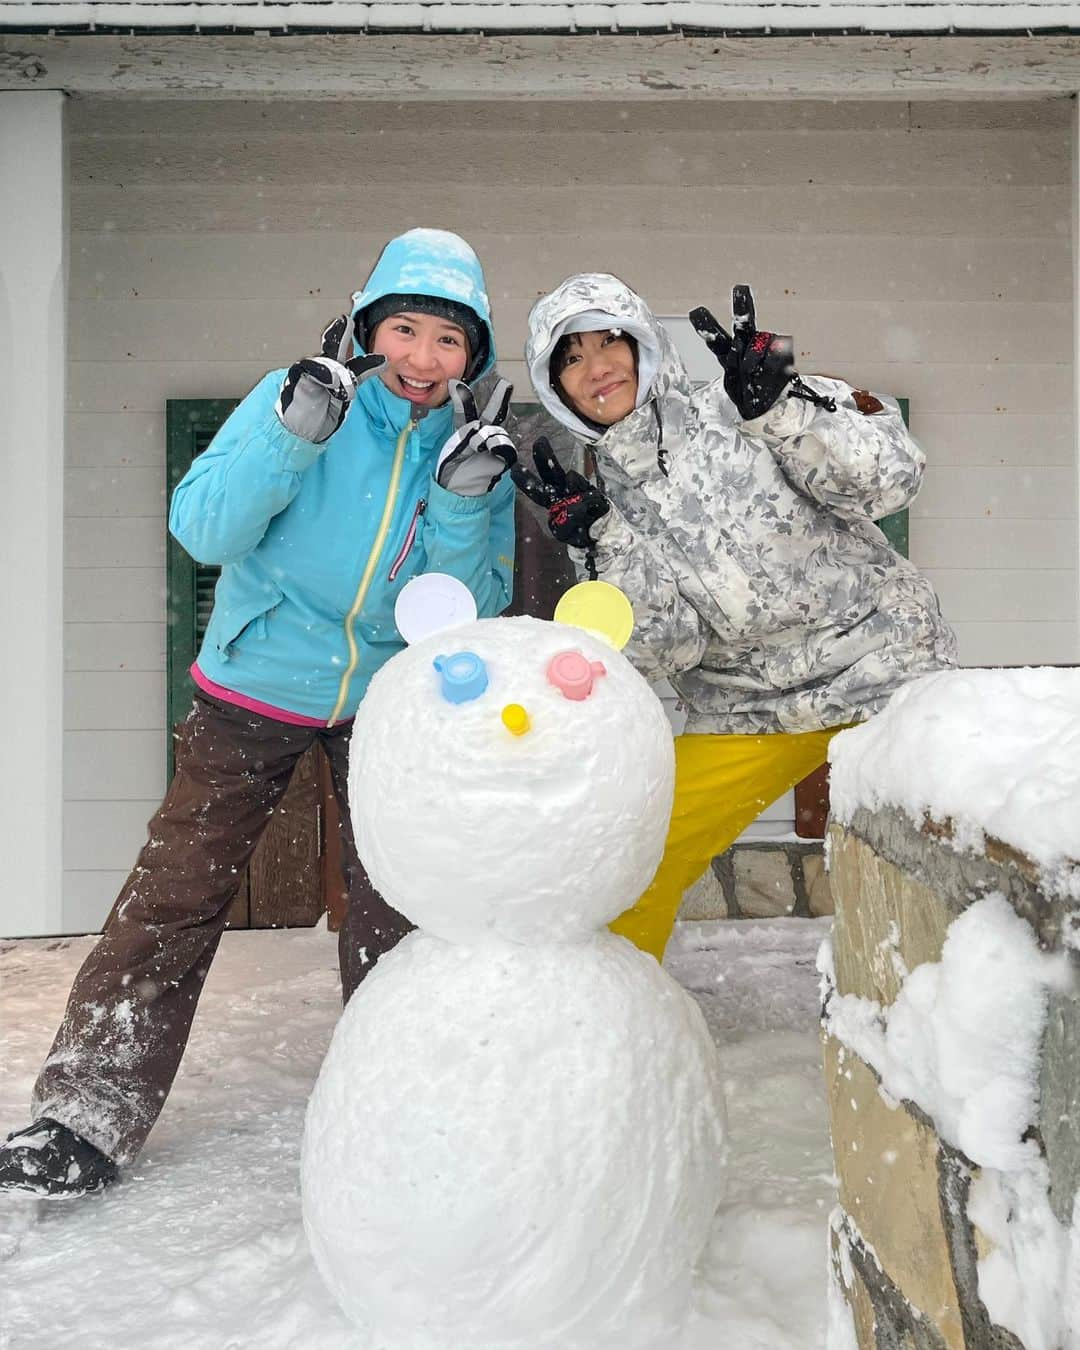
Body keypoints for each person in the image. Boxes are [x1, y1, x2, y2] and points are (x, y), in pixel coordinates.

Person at [0, 228, 518, 1199]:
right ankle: (84, 1116)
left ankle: (400, 1106)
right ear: (368, 328)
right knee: (178, 891)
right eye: (404, 328)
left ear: (474, 357)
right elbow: (204, 528)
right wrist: (292, 434)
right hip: (249, 690)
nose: (421, 357)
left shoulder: (470, 450)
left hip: (388, 705)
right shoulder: (299, 404)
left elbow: (471, 615)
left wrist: (458, 502)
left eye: (448, 341)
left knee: (397, 908)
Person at [514, 272, 956, 962]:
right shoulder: (607, 498)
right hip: (751, 708)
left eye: (609, 341)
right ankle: (604, 1023)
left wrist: (786, 410)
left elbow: (891, 480)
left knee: (948, 857)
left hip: (881, 666)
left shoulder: (740, 400)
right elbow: (669, 648)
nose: (596, 366)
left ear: (643, 345)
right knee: (628, 851)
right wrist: (606, 540)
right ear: (555, 386)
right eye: (571, 357)